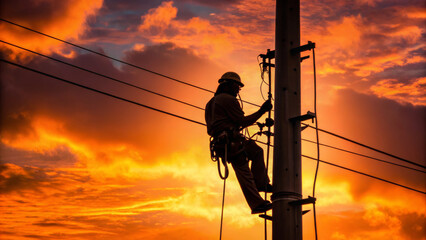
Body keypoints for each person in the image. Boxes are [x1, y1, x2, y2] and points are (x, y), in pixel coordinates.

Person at [205, 71, 273, 214]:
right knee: (244, 172)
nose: (238, 90)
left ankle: (262, 183)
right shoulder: (227, 99)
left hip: (223, 143)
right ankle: (257, 203)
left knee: (256, 151)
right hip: (231, 141)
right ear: (228, 85)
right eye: (236, 86)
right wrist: (262, 111)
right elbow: (242, 122)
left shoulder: (210, 103)